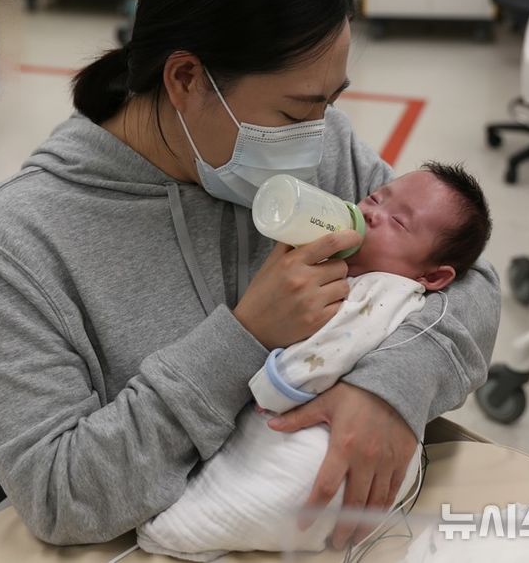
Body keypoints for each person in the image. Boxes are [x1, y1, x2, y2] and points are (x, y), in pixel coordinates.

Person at [0, 0, 501, 548]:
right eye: (299, 107)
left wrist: (391, 386)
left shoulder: (323, 151)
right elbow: (59, 495)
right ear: (187, 79)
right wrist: (244, 336)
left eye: (332, 101)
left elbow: (468, 278)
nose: (319, 137)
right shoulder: (21, 240)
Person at [136, 162, 492, 560]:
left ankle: (194, 527)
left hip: (315, 424)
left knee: (293, 477)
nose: (372, 213)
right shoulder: (345, 268)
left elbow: (326, 355)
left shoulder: (379, 293)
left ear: (433, 277)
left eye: (399, 223)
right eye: (375, 197)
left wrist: (274, 380)